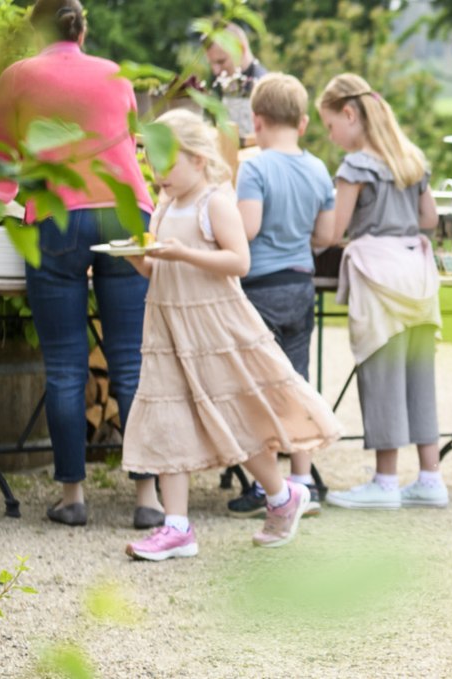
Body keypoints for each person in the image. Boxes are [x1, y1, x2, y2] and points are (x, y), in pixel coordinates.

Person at [119, 109, 342, 561]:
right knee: (170, 420)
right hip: (167, 326)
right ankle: (177, 526)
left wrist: (183, 253)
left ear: (199, 159)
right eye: (152, 163)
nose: (157, 172)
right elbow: (155, 266)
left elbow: (238, 261)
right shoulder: (164, 205)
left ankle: (282, 496)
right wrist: (135, 255)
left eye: (166, 161)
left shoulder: (214, 202)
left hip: (213, 327)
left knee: (235, 420)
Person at [0, 0, 162, 529]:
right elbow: (129, 148)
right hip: (125, 216)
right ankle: (148, 500)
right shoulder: (115, 75)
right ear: (82, 28)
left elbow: (4, 167)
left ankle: (72, 496)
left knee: (65, 365)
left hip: (59, 220)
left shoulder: (16, 77)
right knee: (130, 362)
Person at [312, 74, 448, 511]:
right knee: (418, 376)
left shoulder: (354, 167)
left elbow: (333, 231)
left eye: (332, 127)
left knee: (382, 375)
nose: (333, 138)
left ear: (350, 114)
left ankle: (385, 481)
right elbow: (429, 218)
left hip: (378, 277)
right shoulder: (413, 160)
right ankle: (430, 478)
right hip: (417, 274)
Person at [224, 73, 337, 517]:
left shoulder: (254, 166)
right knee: (296, 384)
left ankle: (264, 484)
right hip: (300, 285)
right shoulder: (318, 168)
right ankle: (303, 478)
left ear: (257, 120)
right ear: (304, 122)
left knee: (258, 388)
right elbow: (325, 235)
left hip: (262, 287)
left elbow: (247, 228)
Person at [203, 23, 268, 141]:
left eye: (221, 61)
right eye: (211, 63)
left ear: (240, 49)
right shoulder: (219, 81)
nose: (216, 71)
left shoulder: (266, 88)